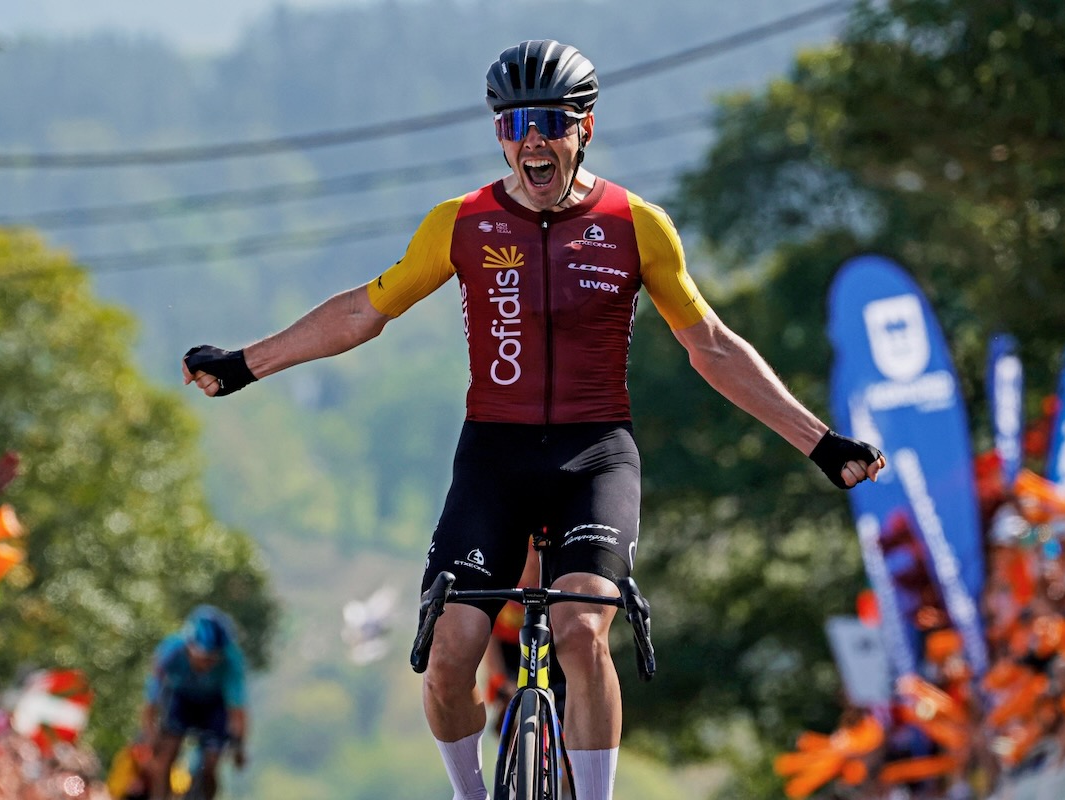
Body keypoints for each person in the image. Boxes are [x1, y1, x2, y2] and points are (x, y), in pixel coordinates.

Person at [181, 39, 885, 800]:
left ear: (586, 127)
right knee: (450, 654)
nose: (533, 140)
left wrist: (820, 442)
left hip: (595, 456)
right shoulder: (460, 223)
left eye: (551, 121)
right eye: (516, 124)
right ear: (499, 134)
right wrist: (245, 364)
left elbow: (710, 347)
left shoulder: (636, 224)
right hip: (494, 459)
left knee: (582, 631)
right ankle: (470, 794)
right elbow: (362, 312)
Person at [141, 606, 248, 800]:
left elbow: (237, 709)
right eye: (203, 659)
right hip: (181, 698)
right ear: (189, 647)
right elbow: (151, 698)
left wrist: (239, 747)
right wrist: (150, 733)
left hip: (215, 705)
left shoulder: (231, 660)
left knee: (210, 765)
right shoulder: (171, 650)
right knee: (166, 755)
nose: (207, 665)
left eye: (213, 660)